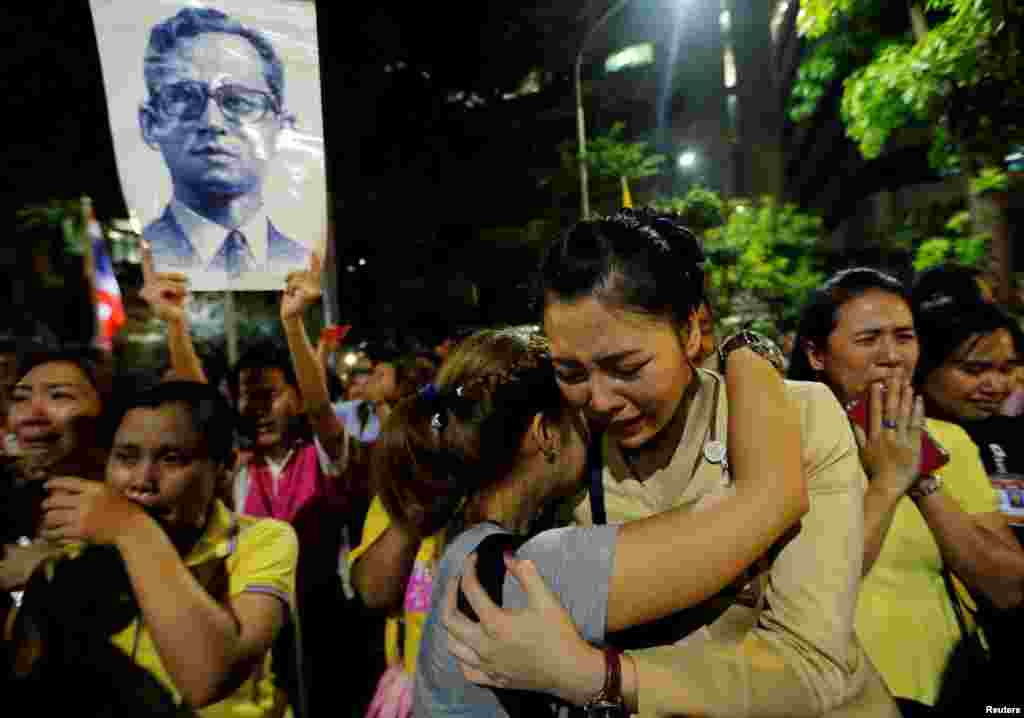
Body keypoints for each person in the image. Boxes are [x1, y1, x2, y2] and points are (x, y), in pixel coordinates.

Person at [441, 208, 899, 716]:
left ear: (692, 329)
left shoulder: (798, 419)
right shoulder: (566, 454)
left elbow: (812, 668)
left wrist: (602, 677)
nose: (599, 399)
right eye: (571, 371)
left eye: (627, 367)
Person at [368, 323, 805, 716]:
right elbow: (769, 498)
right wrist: (747, 352)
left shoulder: (468, 545)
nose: (598, 415)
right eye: (579, 410)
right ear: (544, 433)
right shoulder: (532, 572)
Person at [789, 267, 1024, 714]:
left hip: (953, 692)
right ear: (817, 353)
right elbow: (817, 587)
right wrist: (888, 481)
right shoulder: (785, 443)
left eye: (904, 336)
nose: (892, 355)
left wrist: (921, 476)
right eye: (869, 339)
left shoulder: (949, 440)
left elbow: (1008, 587)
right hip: (838, 699)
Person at [3, 380, 299, 717]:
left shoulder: (261, 539)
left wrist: (132, 529)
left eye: (172, 459)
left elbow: (208, 678)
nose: (143, 480)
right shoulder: (70, 560)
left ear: (225, 469)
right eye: (126, 458)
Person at [139, 7, 308, 282]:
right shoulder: (135, 260)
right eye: (184, 98)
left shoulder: (306, 263)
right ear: (150, 124)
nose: (212, 121)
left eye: (238, 100)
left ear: (282, 128)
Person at [1, 344, 111, 603]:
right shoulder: (21, 498)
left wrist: (46, 567)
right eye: (20, 397)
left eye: (59, 396)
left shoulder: (134, 506)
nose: (32, 414)